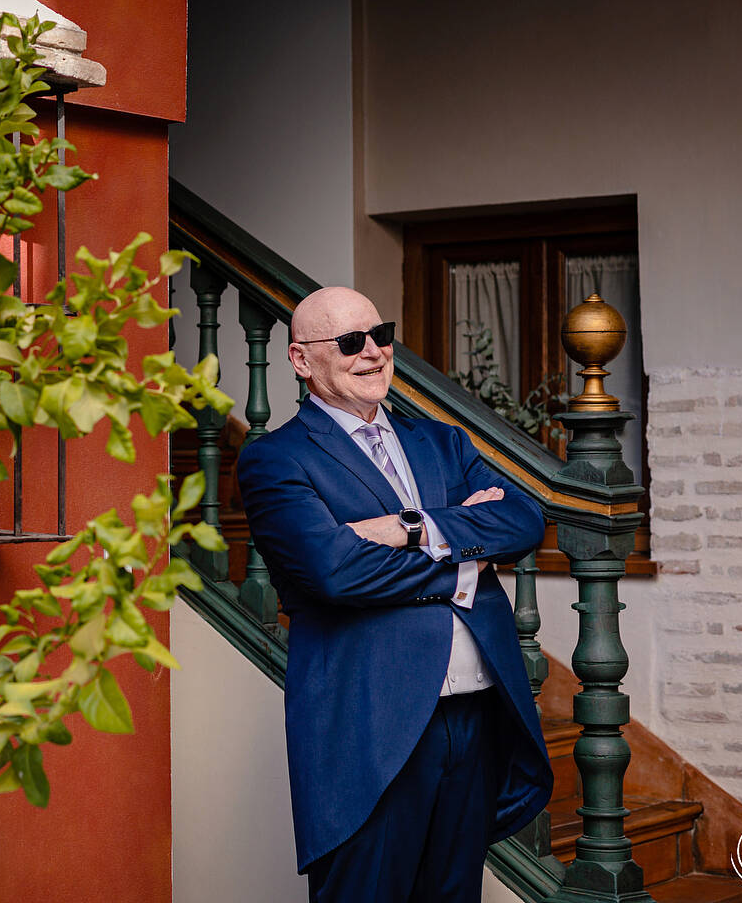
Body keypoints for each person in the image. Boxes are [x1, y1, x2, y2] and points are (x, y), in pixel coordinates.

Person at [235, 286, 552, 903]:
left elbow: (522, 521)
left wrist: (411, 528)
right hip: (372, 726)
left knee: (454, 896)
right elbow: (334, 573)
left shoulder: (443, 442)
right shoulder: (275, 460)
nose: (374, 353)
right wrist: (466, 564)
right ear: (302, 361)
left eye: (381, 335)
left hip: (476, 717)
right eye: (351, 343)